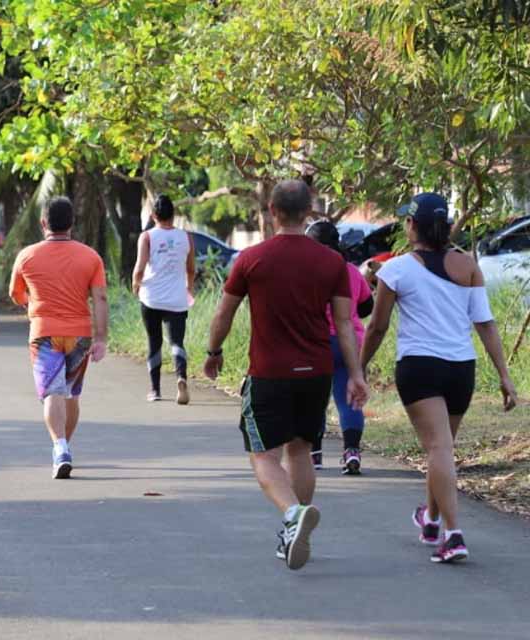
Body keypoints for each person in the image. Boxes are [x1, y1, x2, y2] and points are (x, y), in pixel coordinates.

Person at [204, 179, 369, 570]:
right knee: (301, 450)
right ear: (309, 212)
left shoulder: (251, 258)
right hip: (316, 372)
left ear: (272, 211)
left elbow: (224, 313)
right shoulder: (332, 263)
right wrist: (357, 374)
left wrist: (213, 352)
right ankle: (298, 525)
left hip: (269, 373)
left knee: (262, 456)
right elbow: (345, 325)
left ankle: (293, 515)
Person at [361, 193, 517, 564]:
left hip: (420, 368)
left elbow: (377, 328)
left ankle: (453, 534)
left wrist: (360, 366)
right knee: (441, 447)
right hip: (461, 369)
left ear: (412, 226)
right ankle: (430, 519)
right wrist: (504, 375)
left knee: (438, 449)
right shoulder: (468, 266)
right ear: (445, 226)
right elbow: (485, 322)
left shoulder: (395, 270)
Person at [9, 196, 109, 479]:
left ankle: (60, 446)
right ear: (72, 224)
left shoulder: (27, 256)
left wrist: (32, 302)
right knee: (71, 393)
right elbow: (100, 297)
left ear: (43, 223)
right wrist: (101, 337)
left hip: (44, 334)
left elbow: (15, 294)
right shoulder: (91, 257)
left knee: (53, 392)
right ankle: (63, 447)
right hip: (80, 334)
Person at [305, 220, 375, 474]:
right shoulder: (350, 271)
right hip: (349, 343)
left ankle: (314, 454)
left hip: (317, 342)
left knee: (314, 400)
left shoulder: (307, 271)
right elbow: (367, 306)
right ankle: (352, 452)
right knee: (349, 399)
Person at [131, 194, 196, 404]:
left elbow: (139, 268)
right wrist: (189, 289)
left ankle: (155, 390)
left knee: (154, 342)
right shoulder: (186, 237)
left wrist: (135, 285)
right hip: (177, 298)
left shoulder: (147, 237)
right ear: (173, 215)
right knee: (177, 341)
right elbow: (191, 269)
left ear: (153, 215)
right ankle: (181, 378)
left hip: (151, 298)